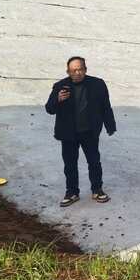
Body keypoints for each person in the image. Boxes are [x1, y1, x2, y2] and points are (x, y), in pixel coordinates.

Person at [44, 56, 117, 207]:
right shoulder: (60, 86)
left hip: (89, 132)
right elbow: (49, 109)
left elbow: (105, 106)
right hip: (68, 133)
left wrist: (110, 125)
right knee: (70, 164)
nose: (77, 73)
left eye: (80, 69)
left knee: (94, 162)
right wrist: (58, 99)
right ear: (68, 71)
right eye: (73, 70)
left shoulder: (98, 84)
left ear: (85, 69)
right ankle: (72, 192)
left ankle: (97, 190)